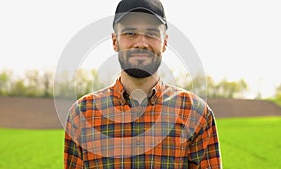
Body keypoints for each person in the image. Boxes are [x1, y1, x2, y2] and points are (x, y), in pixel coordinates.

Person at [64, 0, 222, 168]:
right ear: (114, 41)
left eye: (152, 33)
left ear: (165, 42)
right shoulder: (82, 114)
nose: (141, 43)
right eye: (130, 33)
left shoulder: (195, 113)